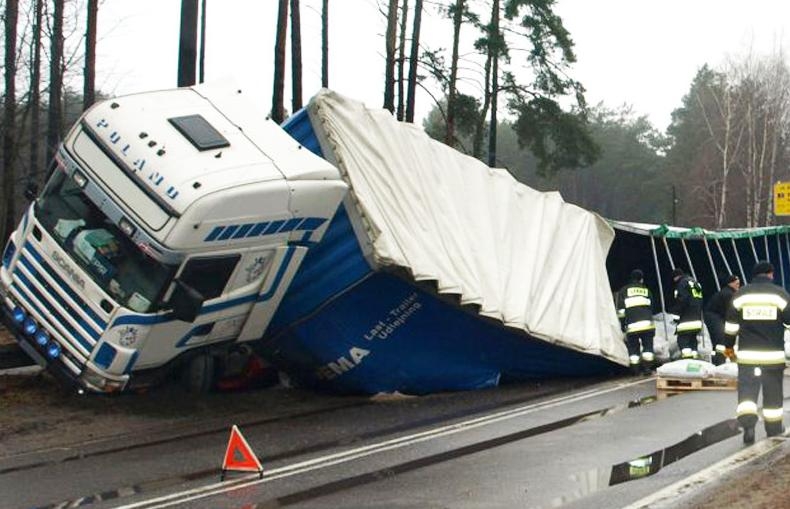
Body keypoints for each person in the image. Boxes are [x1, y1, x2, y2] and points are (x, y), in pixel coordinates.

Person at [724, 261, 790, 444]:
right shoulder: (779, 294)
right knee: (773, 393)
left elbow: (731, 326)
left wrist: (729, 348)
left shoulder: (741, 295)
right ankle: (774, 428)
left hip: (748, 357)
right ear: (770, 274)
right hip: (772, 357)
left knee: (747, 392)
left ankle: (748, 427)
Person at [616, 269, 656, 375]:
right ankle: (647, 368)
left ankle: (635, 370)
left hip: (632, 326)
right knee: (648, 348)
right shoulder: (646, 290)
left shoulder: (624, 291)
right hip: (647, 325)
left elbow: (621, 311)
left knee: (633, 349)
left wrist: (623, 325)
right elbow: (652, 307)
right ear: (641, 279)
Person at [704, 273, 741, 365]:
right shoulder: (729, 294)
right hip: (715, 317)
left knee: (721, 340)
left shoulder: (728, 292)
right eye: (736, 283)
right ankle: (721, 362)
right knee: (721, 340)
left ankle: (722, 360)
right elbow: (730, 313)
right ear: (730, 283)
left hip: (714, 317)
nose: (738, 285)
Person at [670, 268, 704, 359]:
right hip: (697, 319)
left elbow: (681, 300)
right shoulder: (695, 283)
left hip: (686, 320)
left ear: (676, 277)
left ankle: (687, 360)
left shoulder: (682, 283)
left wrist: (676, 316)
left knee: (683, 341)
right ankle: (695, 360)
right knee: (693, 341)